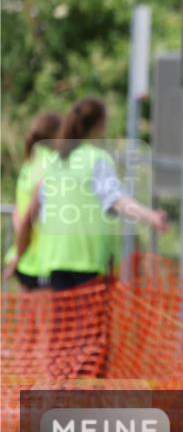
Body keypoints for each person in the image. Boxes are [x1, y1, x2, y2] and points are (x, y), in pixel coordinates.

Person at [7, 98, 169, 291]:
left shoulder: (54, 161)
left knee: (63, 312)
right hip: (89, 260)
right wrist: (150, 216)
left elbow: (30, 215)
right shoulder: (96, 159)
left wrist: (18, 254)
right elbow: (116, 199)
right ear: (100, 124)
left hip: (55, 259)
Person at [4, 111, 61, 290]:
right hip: (43, 260)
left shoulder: (29, 163)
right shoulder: (53, 165)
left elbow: (18, 212)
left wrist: (19, 252)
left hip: (24, 257)